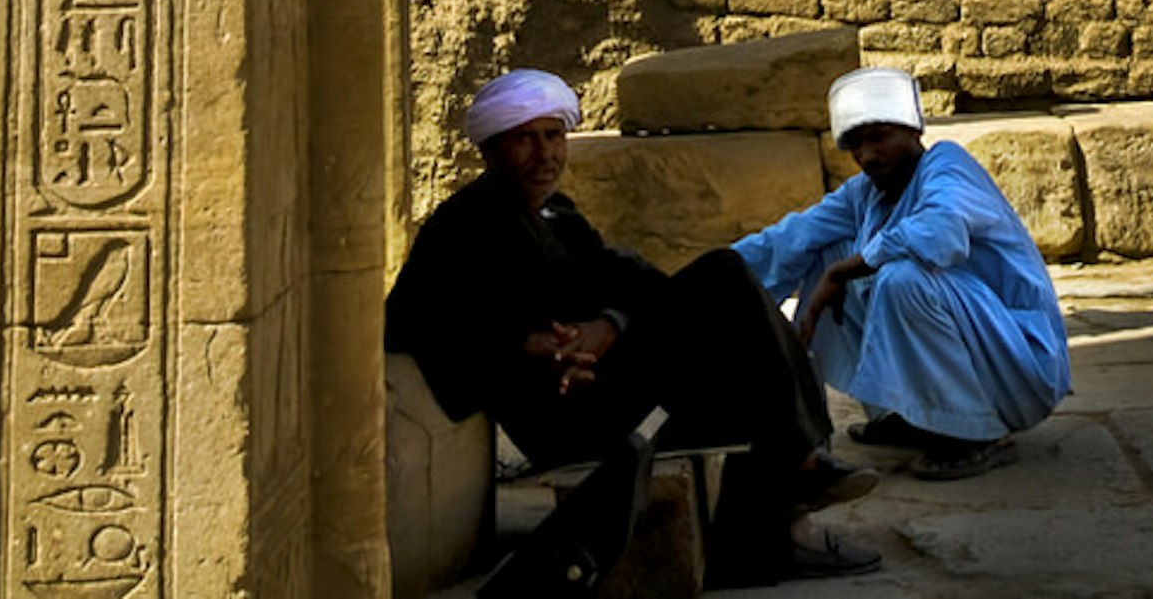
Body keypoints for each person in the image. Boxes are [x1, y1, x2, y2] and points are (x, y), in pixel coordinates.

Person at [387, 71, 878, 583]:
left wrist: (609, 325)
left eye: (553, 136)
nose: (543, 154)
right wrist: (526, 347)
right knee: (726, 285)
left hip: (613, 385)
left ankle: (779, 517)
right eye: (523, 139)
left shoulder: (558, 214)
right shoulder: (461, 227)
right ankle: (794, 491)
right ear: (489, 149)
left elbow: (638, 280)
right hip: (567, 415)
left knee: (741, 342)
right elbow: (407, 325)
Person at [736, 69, 1070, 481]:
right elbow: (790, 238)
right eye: (856, 145)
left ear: (912, 131)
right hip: (978, 344)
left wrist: (846, 271)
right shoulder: (865, 192)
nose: (868, 155)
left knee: (902, 279)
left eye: (879, 137)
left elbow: (940, 233)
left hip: (1017, 365)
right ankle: (904, 413)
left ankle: (975, 434)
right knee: (822, 251)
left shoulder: (948, 164)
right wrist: (703, 281)